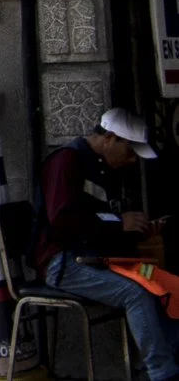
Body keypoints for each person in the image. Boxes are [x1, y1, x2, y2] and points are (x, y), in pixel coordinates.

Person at [38, 107, 179, 380]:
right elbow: (62, 221)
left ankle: (169, 356)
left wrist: (138, 231)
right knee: (135, 292)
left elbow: (102, 219)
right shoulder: (67, 161)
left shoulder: (102, 167)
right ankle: (162, 373)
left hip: (97, 256)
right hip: (64, 261)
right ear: (111, 138)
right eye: (129, 152)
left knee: (160, 282)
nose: (129, 161)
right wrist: (119, 224)